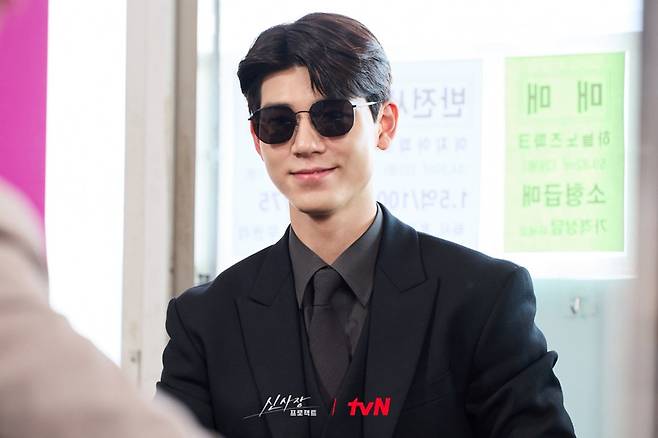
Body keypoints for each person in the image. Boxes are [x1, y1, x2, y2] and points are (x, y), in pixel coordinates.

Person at [157, 12, 576, 438]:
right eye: (279, 124)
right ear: (256, 140)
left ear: (384, 124)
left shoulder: (483, 299)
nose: (305, 144)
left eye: (332, 116)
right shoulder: (205, 322)